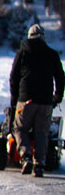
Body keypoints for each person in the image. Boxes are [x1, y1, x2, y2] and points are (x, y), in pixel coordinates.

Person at [9, 24, 64, 177]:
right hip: (45, 101)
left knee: (19, 128)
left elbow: (14, 78)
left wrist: (14, 100)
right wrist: (57, 97)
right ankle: (39, 164)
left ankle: (26, 157)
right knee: (42, 133)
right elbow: (60, 77)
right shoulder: (52, 54)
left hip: (26, 100)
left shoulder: (22, 53)